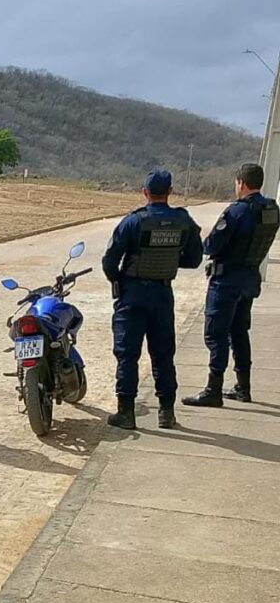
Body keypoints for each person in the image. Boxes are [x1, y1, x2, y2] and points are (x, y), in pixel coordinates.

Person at [102, 169, 203, 430]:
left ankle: (126, 413)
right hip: (162, 294)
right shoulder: (183, 220)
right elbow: (194, 259)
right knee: (163, 354)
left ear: (145, 192)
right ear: (170, 191)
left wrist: (120, 280)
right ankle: (166, 413)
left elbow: (110, 261)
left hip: (132, 295)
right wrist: (168, 260)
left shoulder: (133, 221)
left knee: (127, 355)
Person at [183, 163, 279, 407]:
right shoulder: (271, 209)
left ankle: (213, 390)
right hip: (250, 277)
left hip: (227, 280)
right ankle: (243, 387)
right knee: (239, 332)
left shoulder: (237, 212)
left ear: (241, 183)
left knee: (216, 334)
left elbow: (211, 245)